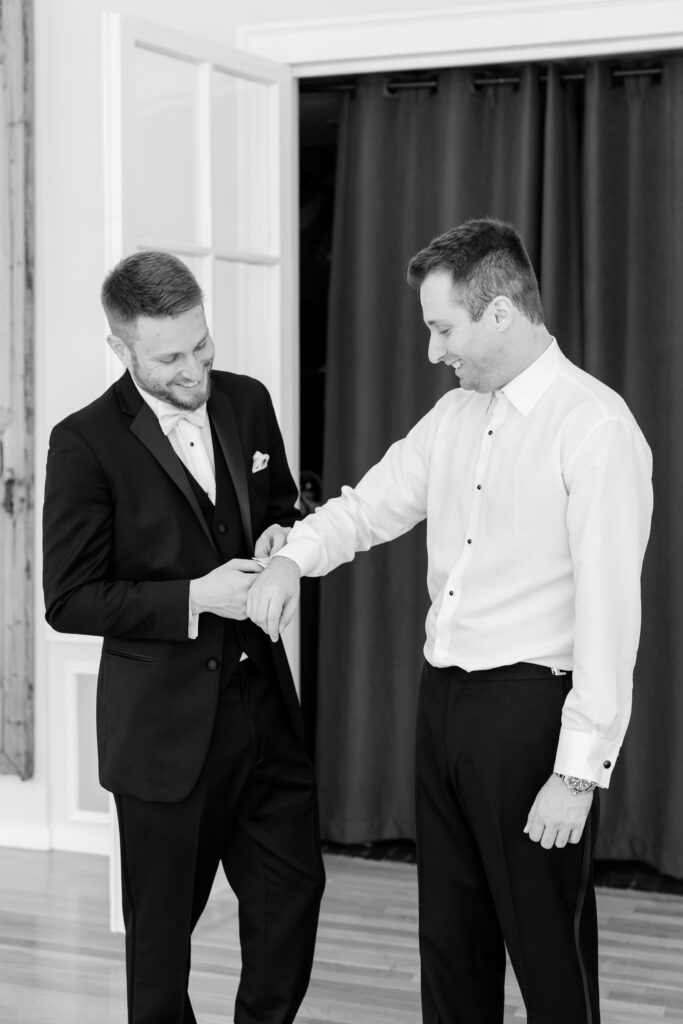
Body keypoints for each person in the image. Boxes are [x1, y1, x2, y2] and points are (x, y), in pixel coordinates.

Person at [247, 218, 653, 1023]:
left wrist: (576, 774)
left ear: (499, 312)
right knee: (450, 942)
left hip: (533, 715)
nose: (433, 351)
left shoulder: (595, 428)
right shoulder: (452, 418)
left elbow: (610, 615)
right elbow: (366, 508)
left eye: (443, 328)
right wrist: (293, 553)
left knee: (547, 951)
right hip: (444, 706)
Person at [42, 252, 325, 1024]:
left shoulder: (247, 401)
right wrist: (196, 598)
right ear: (121, 349)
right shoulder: (84, 442)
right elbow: (68, 600)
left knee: (291, 898)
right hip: (163, 731)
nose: (195, 368)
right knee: (161, 944)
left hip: (264, 706)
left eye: (201, 345)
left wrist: (282, 546)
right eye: (170, 357)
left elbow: (284, 508)